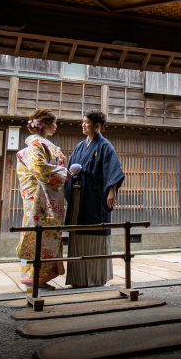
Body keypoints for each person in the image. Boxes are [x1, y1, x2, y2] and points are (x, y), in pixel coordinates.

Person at [65, 109, 125, 287]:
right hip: (78, 199)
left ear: (97, 126)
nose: (83, 125)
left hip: (94, 199)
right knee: (77, 234)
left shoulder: (104, 145)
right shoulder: (79, 146)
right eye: (82, 122)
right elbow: (70, 170)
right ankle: (78, 278)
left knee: (95, 234)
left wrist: (111, 191)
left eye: (86, 122)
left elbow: (113, 170)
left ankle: (96, 278)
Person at [15, 108, 70, 291]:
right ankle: (32, 278)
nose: (56, 126)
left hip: (49, 196)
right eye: (54, 123)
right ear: (45, 124)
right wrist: (63, 173)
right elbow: (39, 168)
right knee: (36, 234)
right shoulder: (35, 144)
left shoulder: (44, 144)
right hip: (38, 198)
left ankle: (41, 278)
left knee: (48, 236)